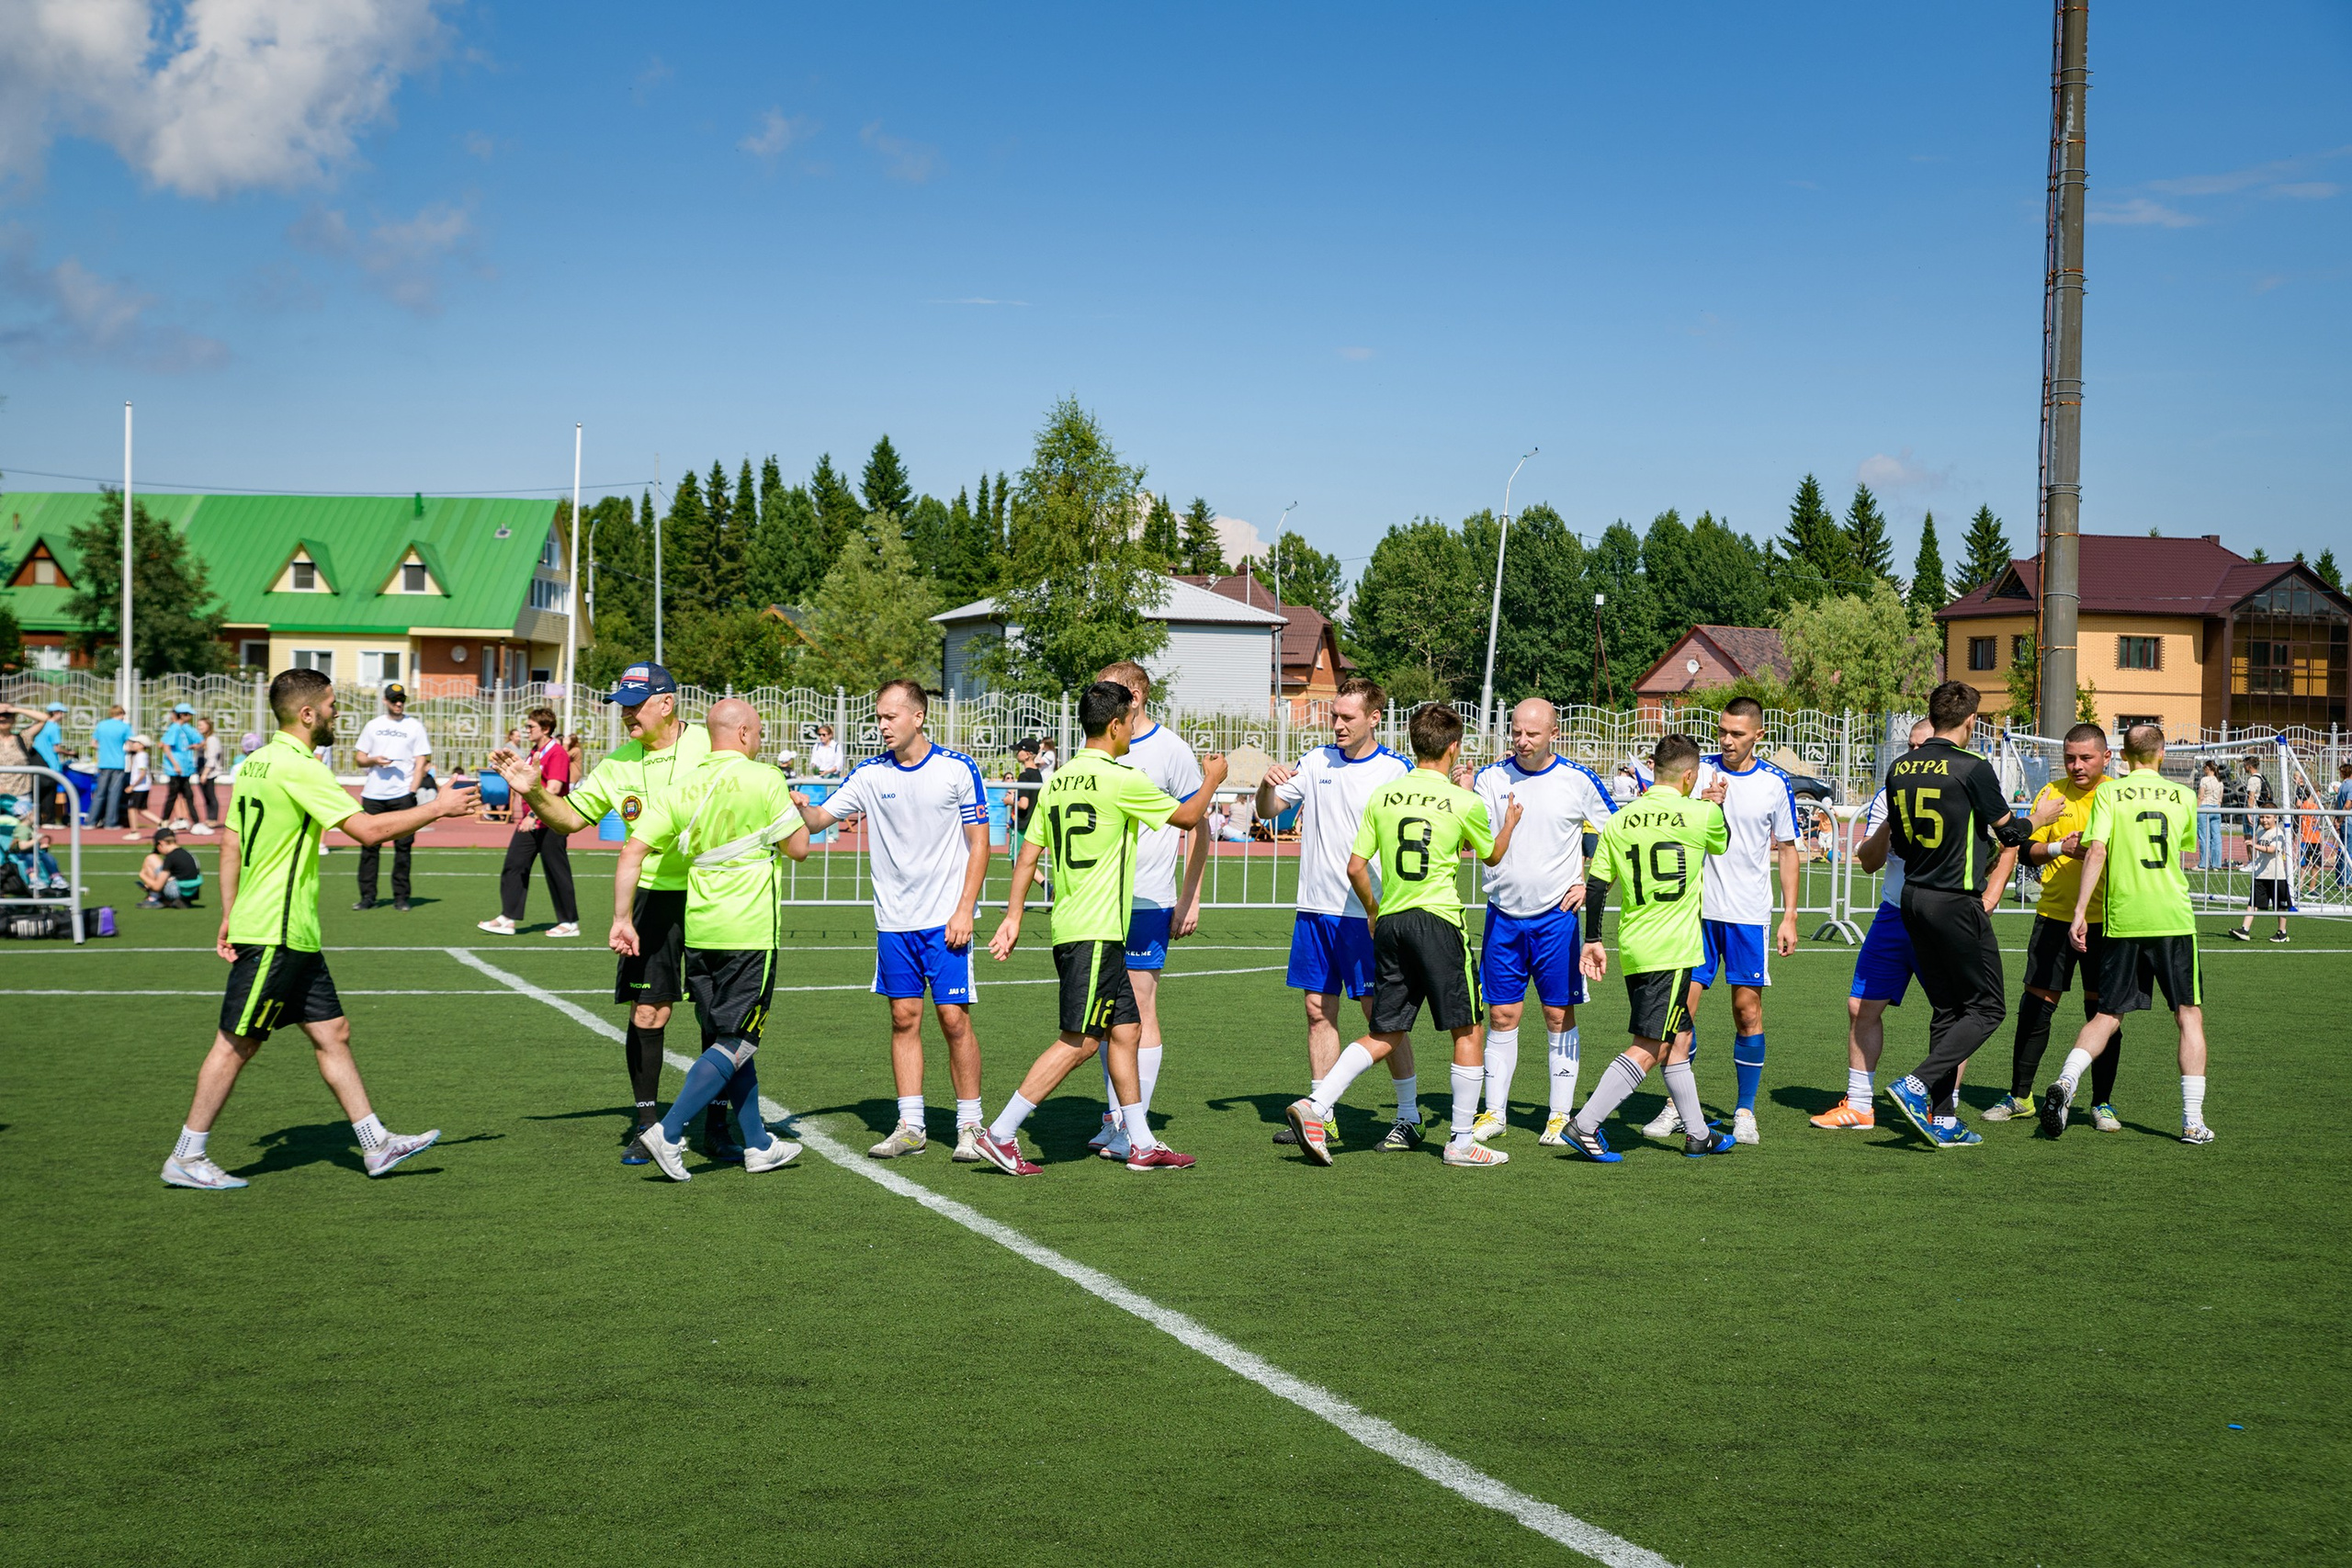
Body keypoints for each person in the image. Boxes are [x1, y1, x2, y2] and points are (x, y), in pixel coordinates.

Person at [158, 667, 478, 1190]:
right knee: (236, 1043)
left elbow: (230, 841)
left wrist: (229, 913)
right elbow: (368, 830)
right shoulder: (300, 766)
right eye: (330, 705)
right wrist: (437, 807)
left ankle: (376, 1144)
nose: (336, 714)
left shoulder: (256, 761)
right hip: (275, 931)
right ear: (307, 713)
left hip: (287, 930)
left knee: (334, 1033)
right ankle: (187, 1156)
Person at [969, 681, 1227, 1175]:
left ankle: (1141, 1142)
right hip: (1094, 931)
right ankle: (1000, 1133)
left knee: (1126, 1030)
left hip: (1082, 926)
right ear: (1114, 725)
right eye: (1129, 722)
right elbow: (1189, 816)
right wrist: (1212, 778)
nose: (1132, 731)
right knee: (1082, 1041)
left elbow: (1028, 855)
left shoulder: (1059, 779)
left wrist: (1014, 915)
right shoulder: (1122, 777)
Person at [497, 662, 729, 1162]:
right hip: (650, 898)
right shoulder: (617, 764)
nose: (626, 715)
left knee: (717, 1013)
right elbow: (568, 820)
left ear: (666, 704)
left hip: (713, 893)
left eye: (635, 705)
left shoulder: (712, 745)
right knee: (649, 1011)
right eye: (621, 706)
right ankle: (647, 1126)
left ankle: (719, 1125)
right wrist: (534, 791)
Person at [1286, 704, 1521, 1168]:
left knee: (1385, 1030)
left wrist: (1374, 911)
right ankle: (1460, 1142)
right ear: (1454, 748)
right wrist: (1509, 822)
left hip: (1391, 923)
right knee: (1468, 1029)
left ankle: (1316, 1104)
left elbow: (1356, 867)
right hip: (1438, 921)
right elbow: (1492, 856)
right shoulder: (1464, 801)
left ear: (1414, 744)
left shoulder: (1384, 796)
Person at [609, 697, 811, 1181]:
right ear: (742, 734)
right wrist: (798, 813)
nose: (759, 740)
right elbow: (799, 848)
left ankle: (758, 1145)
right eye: (757, 732)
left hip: (699, 930)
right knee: (738, 1041)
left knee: (728, 1038)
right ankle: (668, 1131)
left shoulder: (681, 787)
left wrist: (622, 919)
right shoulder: (765, 778)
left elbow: (632, 852)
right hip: (749, 930)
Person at [790, 679, 992, 1163]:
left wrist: (964, 908)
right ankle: (911, 1125)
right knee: (904, 1018)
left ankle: (970, 1125)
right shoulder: (869, 773)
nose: (881, 725)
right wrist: (798, 806)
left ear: (918, 717)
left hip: (945, 920)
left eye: (890, 716)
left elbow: (980, 842)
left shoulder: (957, 768)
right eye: (878, 717)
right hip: (894, 923)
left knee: (954, 1020)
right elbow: (819, 821)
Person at [1857, 681, 2051, 1147]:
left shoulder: (1900, 768)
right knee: (1989, 1007)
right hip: (1954, 901)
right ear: (1971, 721)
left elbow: (1901, 842)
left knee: (1948, 1008)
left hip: (1912, 897)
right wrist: (2040, 819)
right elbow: (2010, 835)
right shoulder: (1972, 766)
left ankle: (1943, 1118)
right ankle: (1917, 1083)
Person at [1554, 733, 1737, 1164]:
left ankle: (1698, 1135)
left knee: (1679, 1037)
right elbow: (1723, 841)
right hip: (1672, 950)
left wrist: (1593, 939)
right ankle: (1585, 1124)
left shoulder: (1621, 820)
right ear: (1690, 776)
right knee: (1650, 1045)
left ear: (1654, 770)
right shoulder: (1700, 813)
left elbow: (1596, 884)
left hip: (1636, 946)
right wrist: (1716, 805)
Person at [1256, 676, 1419, 1149]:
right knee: (1316, 1010)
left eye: (1348, 717)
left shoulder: (1397, 770)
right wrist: (1267, 784)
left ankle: (1408, 1116)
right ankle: (1320, 1114)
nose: (1338, 725)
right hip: (1316, 909)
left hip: (1368, 912)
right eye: (1334, 716)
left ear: (1374, 718)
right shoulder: (1315, 760)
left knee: (1380, 1017)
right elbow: (1269, 811)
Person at [2041, 724, 2214, 1145]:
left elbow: (2097, 850)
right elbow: (2183, 848)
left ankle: (2066, 1080)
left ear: (2122, 755)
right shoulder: (2184, 796)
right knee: (2188, 1016)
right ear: (2162, 753)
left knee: (2107, 1015)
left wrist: (2080, 911)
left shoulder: (2109, 793)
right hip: (2172, 919)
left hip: (2123, 919)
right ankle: (2192, 1122)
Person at [1640, 696, 1799, 1146]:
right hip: (1695, 913)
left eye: (1737, 734)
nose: (1727, 741)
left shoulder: (1774, 783)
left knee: (1747, 1012)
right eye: (1722, 731)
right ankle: (1677, 1105)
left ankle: (1744, 1110)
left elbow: (1788, 849)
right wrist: (1701, 805)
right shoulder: (1697, 773)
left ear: (1758, 735)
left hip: (1747, 915)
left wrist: (1789, 915)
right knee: (1681, 1012)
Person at [1464, 697, 1615, 1145]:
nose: (1522, 740)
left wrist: (1590, 884)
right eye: (1516, 731)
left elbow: (1620, 836)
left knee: (1557, 1013)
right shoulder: (1490, 778)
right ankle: (1494, 1113)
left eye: (1532, 733)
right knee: (1501, 1014)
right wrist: (1461, 791)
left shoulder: (1578, 779)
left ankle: (1559, 1114)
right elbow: (1472, 837)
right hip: (1503, 916)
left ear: (1554, 734)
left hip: (1557, 919)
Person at [1078, 661, 1210, 1160]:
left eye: (1109, 688)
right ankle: (1117, 1118)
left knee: (1139, 1007)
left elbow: (1197, 824)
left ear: (1135, 695)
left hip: (1149, 898)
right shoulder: (1103, 742)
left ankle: (1133, 1125)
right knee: (1107, 1013)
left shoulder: (1171, 750)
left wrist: (1190, 896)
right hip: (1101, 901)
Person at [1984, 723, 2127, 1131]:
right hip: (2054, 916)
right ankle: (2020, 1096)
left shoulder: (2118, 797)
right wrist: (2059, 848)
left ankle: (2102, 1104)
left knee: (2102, 1013)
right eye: (2070, 758)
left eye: (2086, 758)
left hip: (2109, 921)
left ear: (2106, 757)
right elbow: (2026, 851)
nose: (2077, 765)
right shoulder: (2052, 794)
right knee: (2036, 1006)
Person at [1813, 720, 1937, 1132]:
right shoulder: (1890, 793)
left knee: (1951, 1013)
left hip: (1941, 917)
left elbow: (1996, 846)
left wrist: (1986, 899)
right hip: (1894, 913)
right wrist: (1890, 821)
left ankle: (1943, 1107)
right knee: (1861, 1005)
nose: (1914, 755)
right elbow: (1868, 861)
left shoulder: (1962, 784)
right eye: (1910, 746)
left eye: (1923, 746)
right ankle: (1861, 1104)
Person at [480, 706, 580, 938]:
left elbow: (554, 788)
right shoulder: (535, 751)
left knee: (556, 871)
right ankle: (508, 918)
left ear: (545, 728)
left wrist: (533, 815)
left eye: (531, 726)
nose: (526, 730)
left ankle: (569, 922)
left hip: (551, 822)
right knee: (514, 864)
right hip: (532, 822)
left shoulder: (556, 753)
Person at [353, 683, 432, 911]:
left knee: (403, 849)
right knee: (369, 847)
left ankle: (401, 897)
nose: (398, 703)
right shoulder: (373, 725)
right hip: (373, 795)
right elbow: (359, 758)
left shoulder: (414, 726)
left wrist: (412, 791)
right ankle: (367, 897)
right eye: (394, 699)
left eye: (401, 700)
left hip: (402, 795)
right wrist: (374, 760)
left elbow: (421, 762)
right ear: (385, 701)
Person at [2228, 812, 2293, 942]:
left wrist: (2254, 845)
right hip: (2260, 874)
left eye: (2268, 817)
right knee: (2253, 902)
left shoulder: (2278, 833)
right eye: (2262, 817)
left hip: (2276, 876)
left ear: (2276, 818)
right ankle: (2245, 929)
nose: (2264, 820)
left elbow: (2272, 849)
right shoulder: (2261, 832)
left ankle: (2282, 932)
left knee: (2280, 906)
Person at [158, 703, 205, 832]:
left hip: (185, 768)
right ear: (182, 715)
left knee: (188, 796)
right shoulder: (174, 728)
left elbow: (201, 741)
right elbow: (165, 746)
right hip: (176, 769)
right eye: (188, 714)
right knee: (173, 796)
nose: (190, 717)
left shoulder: (186, 728)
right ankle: (164, 822)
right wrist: (175, 765)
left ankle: (195, 822)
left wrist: (195, 746)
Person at [139, 828, 205, 908]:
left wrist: (143, 876)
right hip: (192, 893)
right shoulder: (187, 853)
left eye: (158, 848)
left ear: (161, 843)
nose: (160, 852)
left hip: (178, 892)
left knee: (151, 858)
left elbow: (157, 887)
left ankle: (154, 898)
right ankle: (173, 901)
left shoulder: (171, 857)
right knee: (167, 875)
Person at [28, 702, 69, 826]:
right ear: (56, 713)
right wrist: (70, 752)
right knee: (49, 793)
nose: (63, 716)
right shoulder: (54, 727)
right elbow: (56, 748)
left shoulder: (39, 726)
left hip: (36, 762)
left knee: (36, 793)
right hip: (50, 763)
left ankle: (35, 819)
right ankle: (49, 820)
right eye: (61, 713)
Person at [91, 704, 131, 829]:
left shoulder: (101, 725)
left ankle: (91, 821)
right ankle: (110, 822)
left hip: (103, 762)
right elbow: (130, 744)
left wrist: (104, 749)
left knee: (99, 793)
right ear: (121, 714)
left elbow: (93, 743)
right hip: (118, 763)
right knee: (114, 793)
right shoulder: (125, 727)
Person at [0, 709, 32, 817]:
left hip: (21, 794)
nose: (2, 718)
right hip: (1, 793)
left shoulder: (23, 738)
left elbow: (45, 719)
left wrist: (15, 709)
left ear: (14, 719)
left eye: (7, 715)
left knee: (22, 826)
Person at [196, 716, 224, 829]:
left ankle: (213, 819)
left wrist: (205, 774)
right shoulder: (205, 739)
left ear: (208, 726)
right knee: (206, 796)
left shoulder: (212, 739)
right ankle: (209, 818)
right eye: (198, 725)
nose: (199, 727)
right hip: (204, 770)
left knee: (210, 795)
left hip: (209, 772)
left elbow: (212, 759)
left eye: (202, 725)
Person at [2195, 761, 2224, 872]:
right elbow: (2220, 799)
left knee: (2204, 837)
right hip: (2216, 809)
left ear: (2207, 768)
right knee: (2216, 837)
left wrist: (2197, 809)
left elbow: (2200, 797)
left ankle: (2204, 864)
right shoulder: (2220, 782)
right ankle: (2216, 864)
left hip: (2204, 808)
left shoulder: (2204, 780)